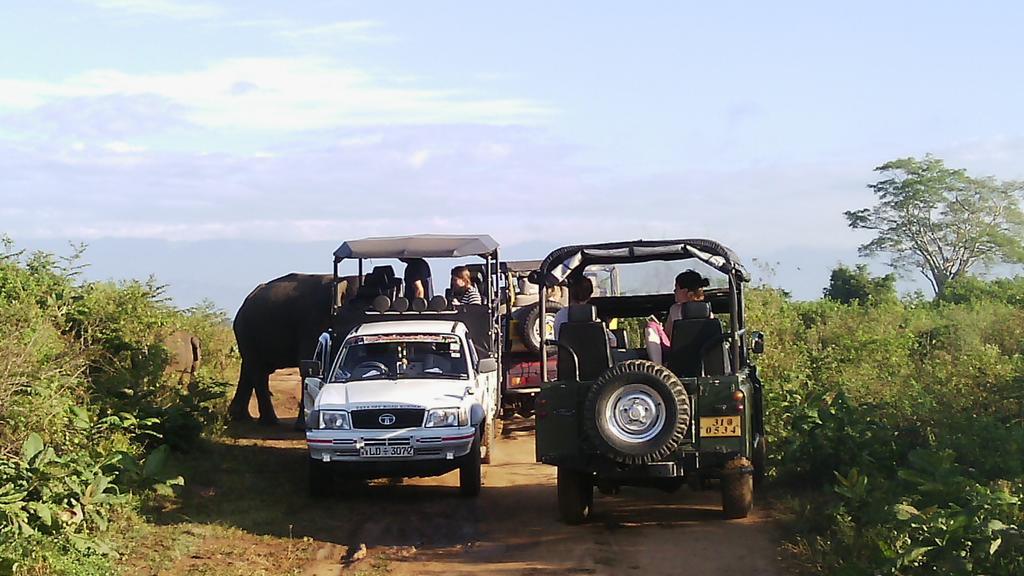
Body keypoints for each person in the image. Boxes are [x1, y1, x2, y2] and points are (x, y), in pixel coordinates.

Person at [646, 269, 712, 364]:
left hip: (677, 353)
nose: (674, 291)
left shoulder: (675, 309)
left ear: (686, 292)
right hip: (703, 354)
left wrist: (659, 328)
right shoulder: (707, 311)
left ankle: (658, 368)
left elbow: (669, 335)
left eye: (676, 288)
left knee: (651, 326)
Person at [553, 276, 616, 346]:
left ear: (570, 293)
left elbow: (558, 339)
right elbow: (613, 341)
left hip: (568, 356)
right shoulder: (592, 318)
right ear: (589, 297)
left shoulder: (560, 315)